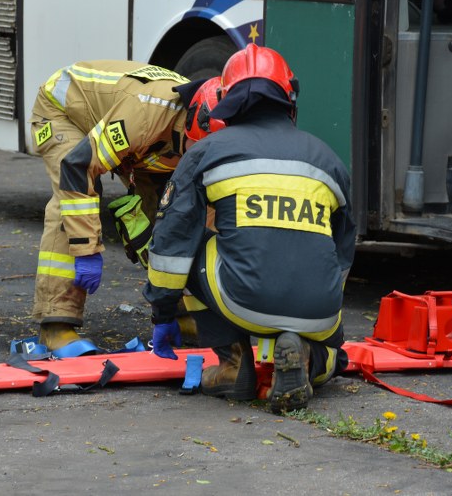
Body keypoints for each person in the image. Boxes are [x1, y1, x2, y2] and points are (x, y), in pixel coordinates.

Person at [143, 44, 357, 413]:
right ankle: (311, 358)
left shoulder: (207, 152)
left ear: (227, 101)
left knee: (190, 245)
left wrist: (162, 311)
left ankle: (233, 364)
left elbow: (171, 242)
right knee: (333, 352)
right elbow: (343, 251)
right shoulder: (329, 159)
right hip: (320, 313)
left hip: (243, 302)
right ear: (289, 98)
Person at [28, 60, 209, 352]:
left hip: (149, 141)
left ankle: (180, 313)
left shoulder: (210, 128)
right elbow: (78, 167)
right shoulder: (146, 115)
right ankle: (56, 324)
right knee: (73, 201)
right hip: (66, 112)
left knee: (172, 214)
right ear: (189, 127)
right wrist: (86, 250)